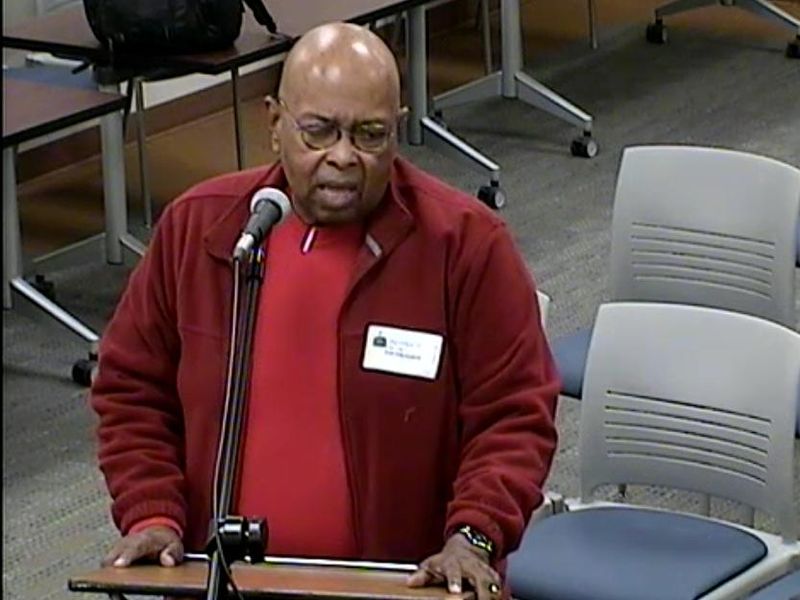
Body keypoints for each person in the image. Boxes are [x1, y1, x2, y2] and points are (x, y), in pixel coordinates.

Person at [91, 22, 559, 600]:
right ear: (273, 124)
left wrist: (474, 536)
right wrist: (151, 513)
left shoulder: (464, 245)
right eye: (319, 132)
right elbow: (131, 388)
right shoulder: (201, 231)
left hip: (403, 590)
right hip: (222, 585)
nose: (344, 157)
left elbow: (514, 416)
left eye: (370, 135)